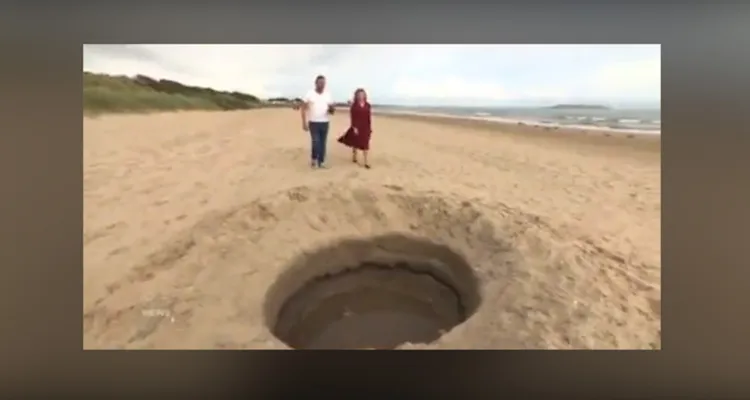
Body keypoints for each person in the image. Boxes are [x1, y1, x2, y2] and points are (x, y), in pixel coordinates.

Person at [301, 75, 334, 169]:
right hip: (313, 122)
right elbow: (303, 108)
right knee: (316, 142)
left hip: (325, 122)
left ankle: (321, 162)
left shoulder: (328, 94)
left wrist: (331, 109)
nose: (322, 85)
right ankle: (314, 159)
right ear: (316, 83)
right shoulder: (310, 93)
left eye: (324, 83)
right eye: (320, 83)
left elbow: (332, 111)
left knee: (323, 143)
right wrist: (303, 122)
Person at [337, 88, 373, 169]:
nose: (361, 96)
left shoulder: (368, 105)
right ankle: (354, 156)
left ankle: (366, 162)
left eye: (362, 94)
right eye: (359, 95)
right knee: (355, 142)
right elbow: (353, 117)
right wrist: (354, 127)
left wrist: (370, 127)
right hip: (357, 126)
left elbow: (368, 117)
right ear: (356, 96)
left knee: (365, 144)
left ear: (365, 95)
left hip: (365, 126)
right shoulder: (354, 105)